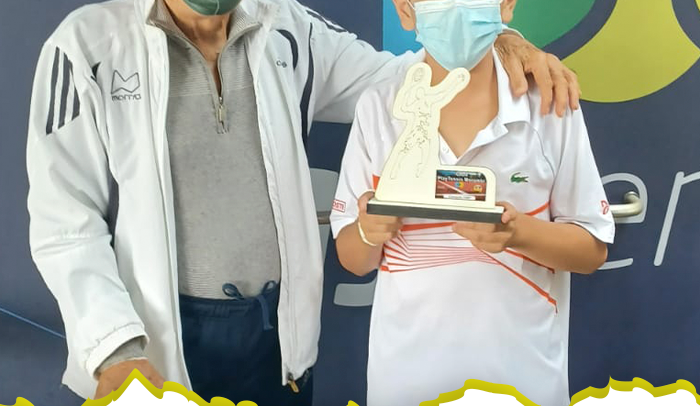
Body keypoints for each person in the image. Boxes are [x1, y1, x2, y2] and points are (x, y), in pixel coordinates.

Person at [26, 0, 580, 403]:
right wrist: (116, 349)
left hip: (277, 339)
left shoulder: (287, 27)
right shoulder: (87, 47)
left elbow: (410, 81)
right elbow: (64, 220)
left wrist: (499, 39)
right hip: (158, 341)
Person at [330, 0, 615, 405]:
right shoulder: (378, 108)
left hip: (523, 383)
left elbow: (591, 250)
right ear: (405, 11)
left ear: (506, 5)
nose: (454, 7)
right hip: (404, 384)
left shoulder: (548, 106)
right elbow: (353, 258)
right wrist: (367, 230)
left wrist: (519, 233)